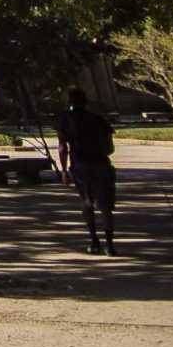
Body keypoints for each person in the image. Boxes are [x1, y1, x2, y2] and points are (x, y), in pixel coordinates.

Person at [55, 86, 118, 253]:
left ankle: (94, 241)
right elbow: (110, 148)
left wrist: (63, 171)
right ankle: (110, 246)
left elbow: (62, 148)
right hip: (102, 164)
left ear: (69, 102)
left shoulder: (65, 120)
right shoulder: (98, 119)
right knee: (105, 205)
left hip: (80, 165)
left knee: (87, 203)